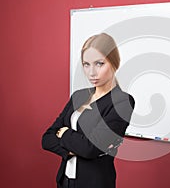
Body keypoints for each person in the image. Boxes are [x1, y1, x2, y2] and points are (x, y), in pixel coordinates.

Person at [42, 33, 135, 188]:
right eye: (86, 64)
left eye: (99, 63)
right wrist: (70, 151)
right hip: (65, 181)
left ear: (114, 63)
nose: (92, 72)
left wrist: (64, 133)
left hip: (94, 183)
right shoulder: (79, 96)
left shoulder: (122, 102)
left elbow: (90, 148)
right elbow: (47, 138)